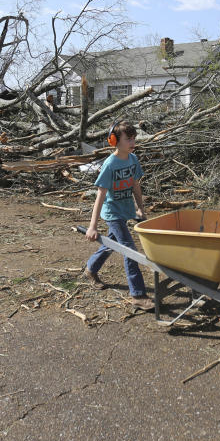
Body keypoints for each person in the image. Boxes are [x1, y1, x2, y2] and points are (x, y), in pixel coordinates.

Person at [82, 120, 154, 310]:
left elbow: (135, 185)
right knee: (129, 250)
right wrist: (93, 226)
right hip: (113, 213)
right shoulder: (110, 164)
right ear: (114, 141)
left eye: (133, 138)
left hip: (126, 210)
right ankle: (138, 295)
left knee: (112, 243)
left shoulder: (133, 159)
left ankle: (91, 269)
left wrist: (140, 208)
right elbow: (100, 195)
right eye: (128, 139)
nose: (132, 142)